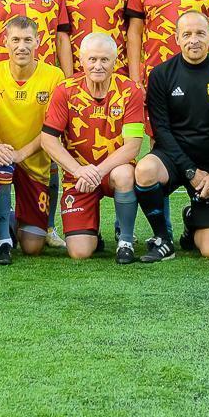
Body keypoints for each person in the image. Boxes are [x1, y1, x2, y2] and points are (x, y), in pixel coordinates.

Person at [138, 11, 209, 258]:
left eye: (200, 33)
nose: (194, 40)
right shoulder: (161, 74)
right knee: (145, 170)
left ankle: (192, 219)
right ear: (177, 38)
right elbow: (161, 130)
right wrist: (189, 171)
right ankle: (162, 239)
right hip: (174, 158)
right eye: (187, 34)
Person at [41, 33, 149, 262]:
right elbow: (48, 139)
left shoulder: (130, 90)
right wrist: (78, 170)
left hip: (112, 171)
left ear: (115, 61)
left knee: (124, 174)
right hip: (78, 175)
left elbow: (132, 147)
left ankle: (125, 241)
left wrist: (98, 172)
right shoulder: (65, 90)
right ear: (81, 60)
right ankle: (92, 232)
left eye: (104, 60)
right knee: (79, 252)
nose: (98, 66)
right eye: (92, 59)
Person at [0, 16, 65, 262]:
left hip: (34, 162)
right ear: (4, 42)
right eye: (15, 40)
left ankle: (15, 221)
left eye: (27, 40)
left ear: (38, 41)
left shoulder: (54, 76)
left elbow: (53, 129)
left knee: (32, 247)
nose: (21, 46)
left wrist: (20, 154)